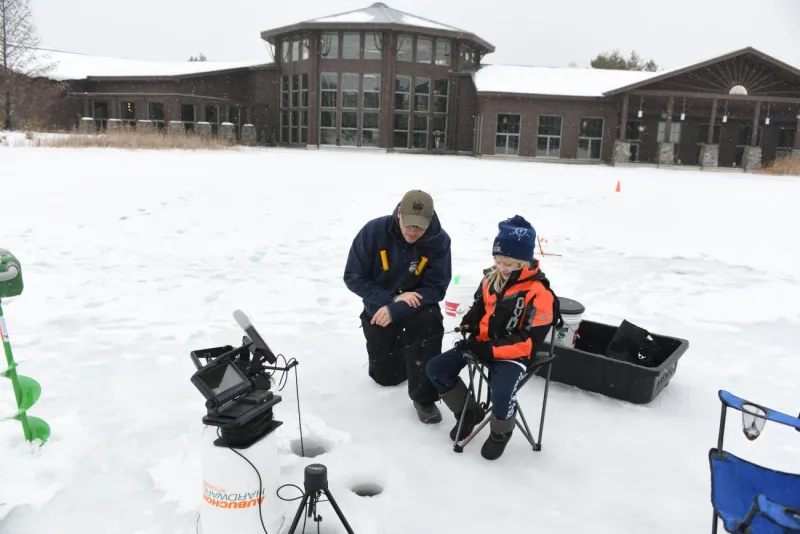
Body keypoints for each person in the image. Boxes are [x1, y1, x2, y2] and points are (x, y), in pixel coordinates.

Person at [426, 215, 557, 460]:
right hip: (483, 344)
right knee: (437, 368)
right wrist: (470, 323)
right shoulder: (490, 279)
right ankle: (469, 413)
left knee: (502, 391)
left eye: (508, 263)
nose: (502, 268)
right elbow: (480, 306)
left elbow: (529, 342)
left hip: (514, 355)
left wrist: (492, 351)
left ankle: (501, 432)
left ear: (524, 261)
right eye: (498, 261)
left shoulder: (541, 294)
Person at [343, 190, 452, 424]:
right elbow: (353, 276)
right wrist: (390, 300)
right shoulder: (374, 231)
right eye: (409, 225)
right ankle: (407, 353)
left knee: (431, 319)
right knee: (385, 378)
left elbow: (436, 288)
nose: (413, 232)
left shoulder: (439, 241)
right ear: (399, 213)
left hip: (417, 309)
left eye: (420, 227)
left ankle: (424, 397)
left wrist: (399, 308)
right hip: (380, 309)